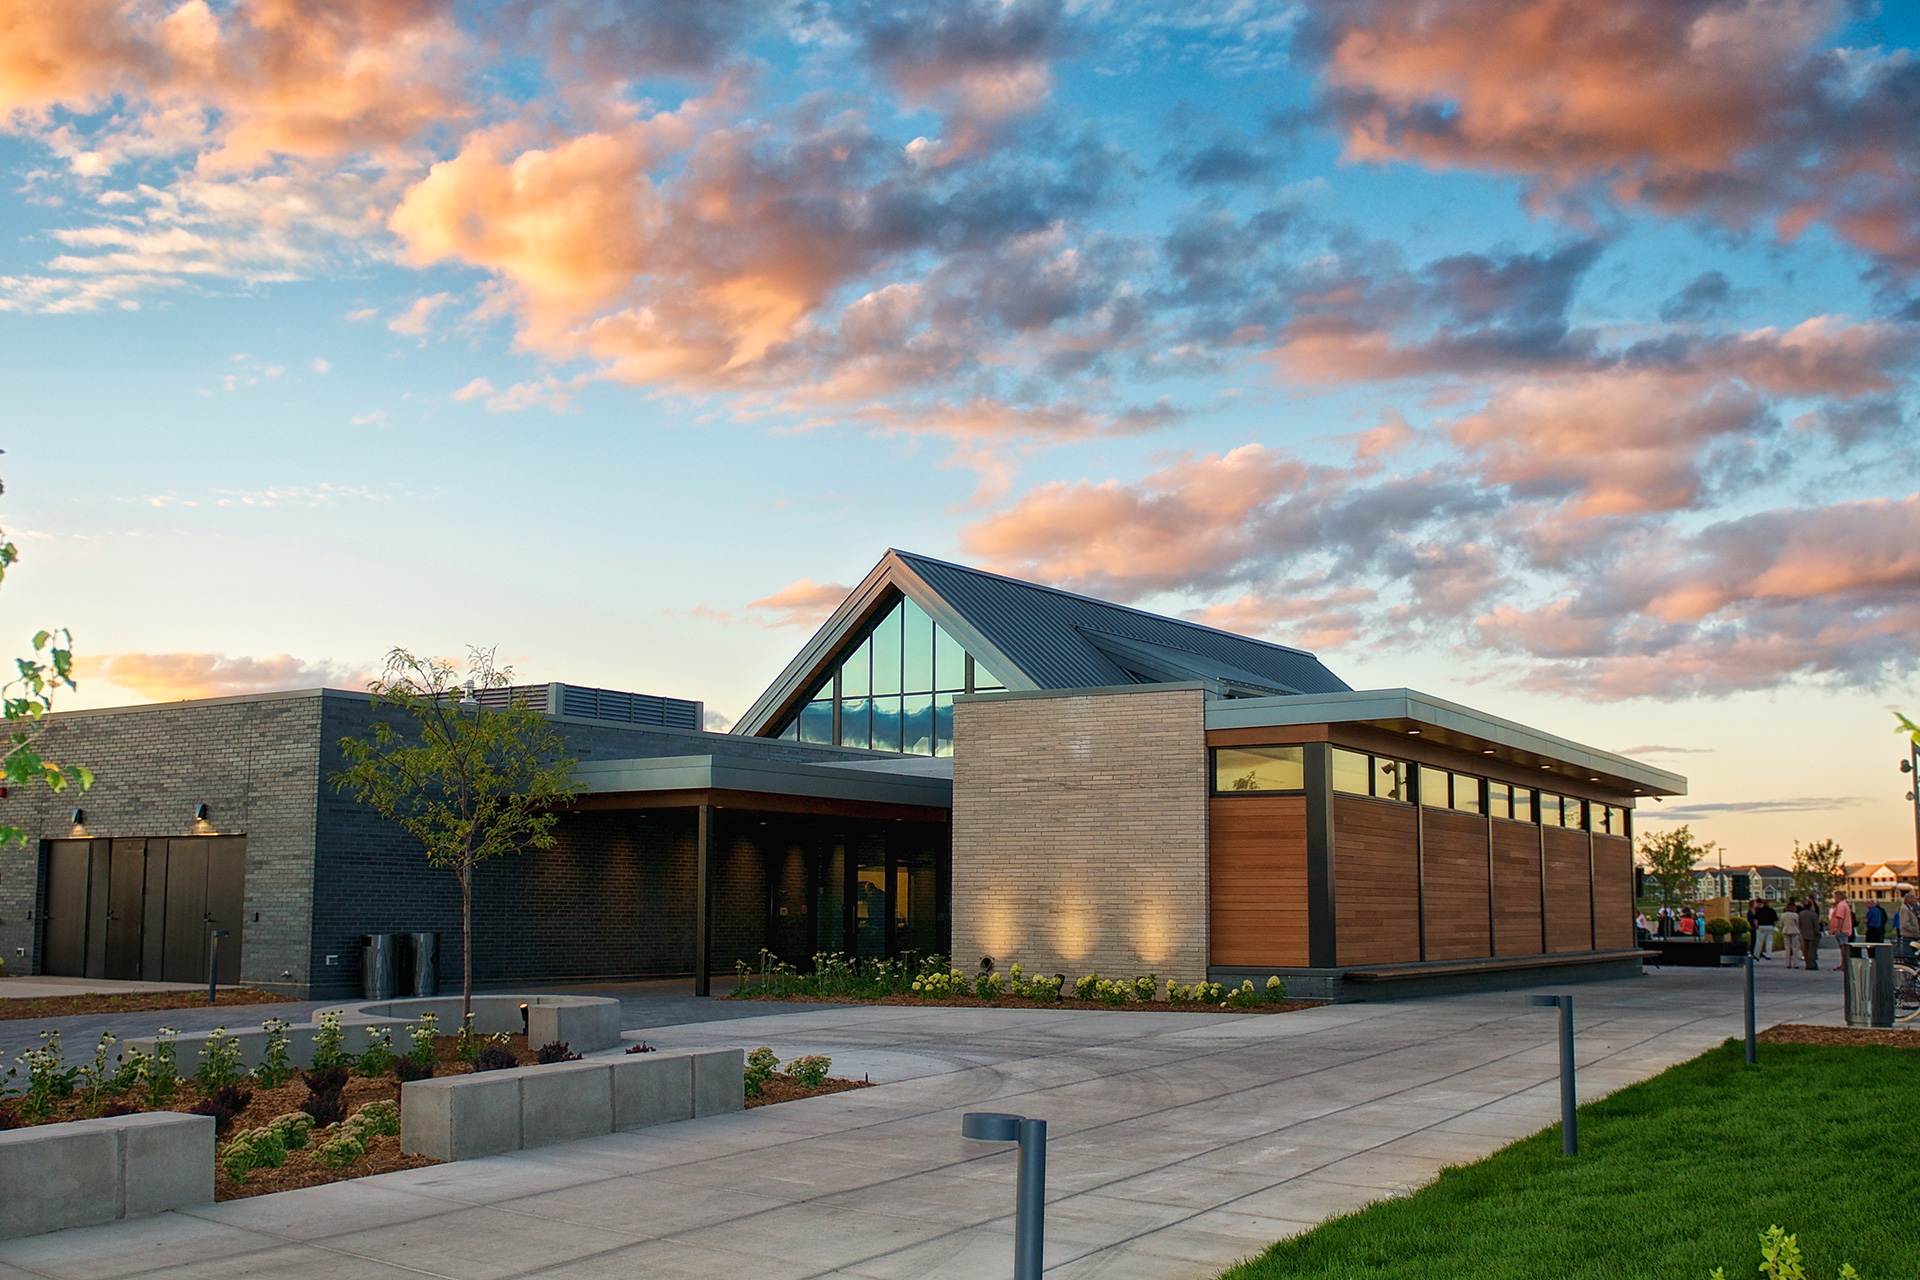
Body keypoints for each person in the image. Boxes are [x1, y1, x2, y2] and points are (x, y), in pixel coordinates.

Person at [1798, 899, 1822, 970]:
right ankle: (1811, 964)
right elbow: (1816, 926)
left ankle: (1807, 963)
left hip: (1804, 934)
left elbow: (1799, 924)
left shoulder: (1801, 914)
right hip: (1813, 935)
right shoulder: (1814, 915)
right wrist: (1818, 933)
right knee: (1812, 950)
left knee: (1806, 950)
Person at [1781, 898, 1802, 969]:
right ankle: (1795, 963)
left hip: (1786, 930)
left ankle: (1788, 963)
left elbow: (1781, 924)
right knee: (1795, 947)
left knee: (1787, 947)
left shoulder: (1783, 915)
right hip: (1794, 931)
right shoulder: (1795, 915)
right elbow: (1798, 924)